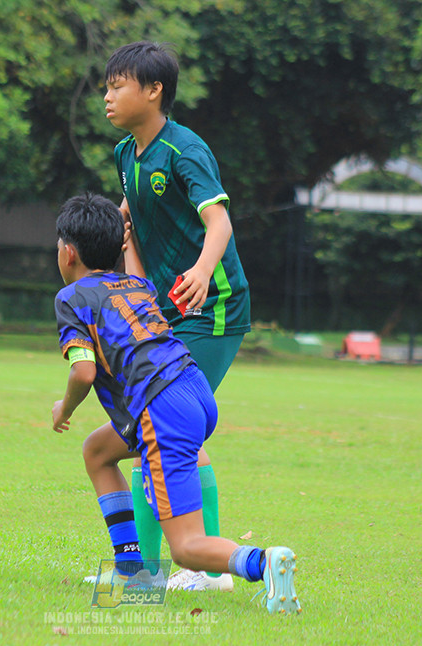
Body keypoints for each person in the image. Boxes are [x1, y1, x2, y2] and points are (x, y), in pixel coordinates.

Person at [51, 193, 300, 614]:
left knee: (186, 548)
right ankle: (132, 573)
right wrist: (128, 249)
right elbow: (137, 285)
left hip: (162, 407)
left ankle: (264, 561)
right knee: (97, 451)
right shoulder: (136, 284)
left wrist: (66, 408)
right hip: (194, 391)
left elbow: (84, 372)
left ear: (68, 252)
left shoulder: (72, 298)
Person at [93, 40, 251, 591]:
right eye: (108, 86)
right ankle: (154, 569)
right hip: (165, 314)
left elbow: (220, 224)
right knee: (159, 432)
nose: (108, 96)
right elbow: (131, 225)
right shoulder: (124, 155)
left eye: (119, 85)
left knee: (158, 429)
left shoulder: (185, 150)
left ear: (154, 91)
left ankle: (184, 571)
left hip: (214, 311)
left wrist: (205, 273)